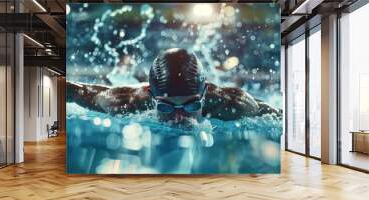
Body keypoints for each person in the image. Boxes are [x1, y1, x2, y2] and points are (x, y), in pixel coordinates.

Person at [67, 48, 280, 124]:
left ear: (204, 93)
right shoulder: (126, 102)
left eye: (190, 106)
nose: (179, 118)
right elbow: (75, 91)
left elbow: (274, 115)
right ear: (152, 97)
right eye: (166, 107)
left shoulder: (232, 104)